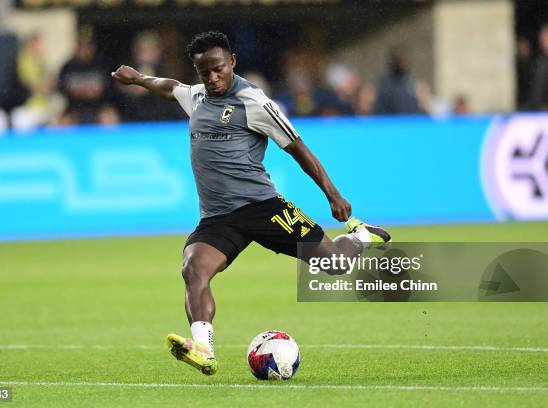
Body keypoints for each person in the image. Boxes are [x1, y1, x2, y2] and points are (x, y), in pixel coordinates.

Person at [112, 31, 391, 376]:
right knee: (193, 268)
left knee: (334, 264)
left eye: (218, 69)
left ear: (232, 61)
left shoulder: (254, 102)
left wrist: (332, 193)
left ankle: (363, 236)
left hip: (263, 208)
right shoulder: (198, 96)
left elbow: (298, 148)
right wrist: (139, 79)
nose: (212, 78)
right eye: (204, 72)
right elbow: (170, 87)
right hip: (218, 218)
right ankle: (204, 348)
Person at [374, 47, 422, 115]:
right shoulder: (385, 84)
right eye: (400, 60)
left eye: (405, 59)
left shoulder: (411, 81)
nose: (404, 62)